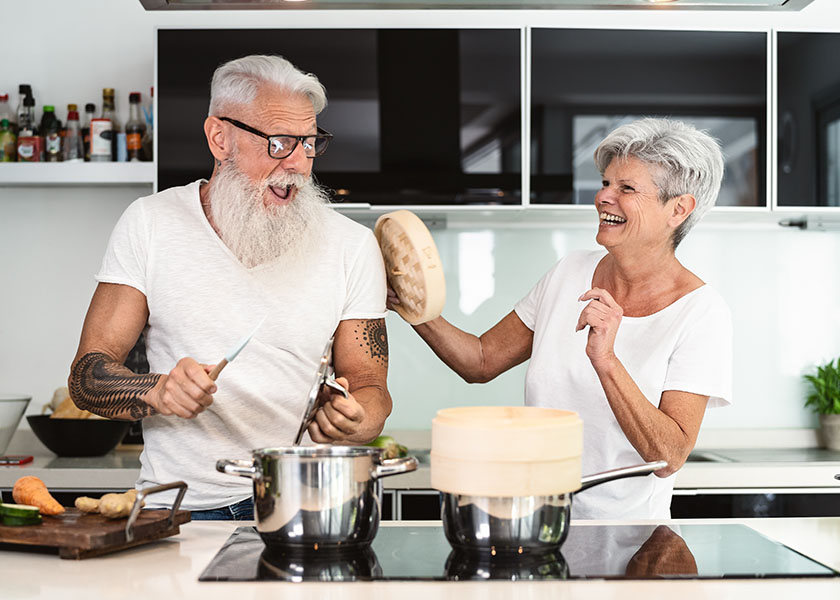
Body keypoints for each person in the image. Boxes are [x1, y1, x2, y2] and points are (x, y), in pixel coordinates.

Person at [68, 55, 391, 519]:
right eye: (279, 143)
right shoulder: (151, 223)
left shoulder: (352, 246)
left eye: (309, 142)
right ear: (220, 138)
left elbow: (372, 390)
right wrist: (156, 390)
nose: (299, 163)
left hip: (300, 509)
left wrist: (357, 420)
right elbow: (85, 378)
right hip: (177, 510)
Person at [390, 118, 732, 520]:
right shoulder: (569, 272)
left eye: (626, 188)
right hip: (539, 519)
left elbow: (669, 455)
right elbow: (480, 361)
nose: (604, 197)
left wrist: (606, 360)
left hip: (628, 538)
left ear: (679, 208)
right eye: (606, 183)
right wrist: (410, 304)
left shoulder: (701, 312)